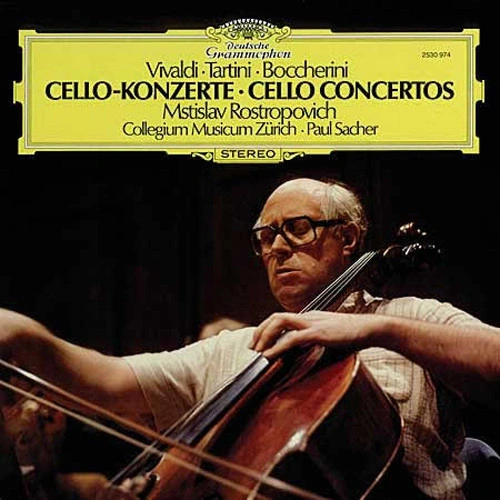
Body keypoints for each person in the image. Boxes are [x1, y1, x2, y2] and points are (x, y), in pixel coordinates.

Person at [1, 177, 500, 499]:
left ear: (347, 238)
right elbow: (108, 380)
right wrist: (24, 337)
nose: (277, 248)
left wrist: (378, 329)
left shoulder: (412, 316)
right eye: (265, 237)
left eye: (297, 228)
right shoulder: (242, 349)